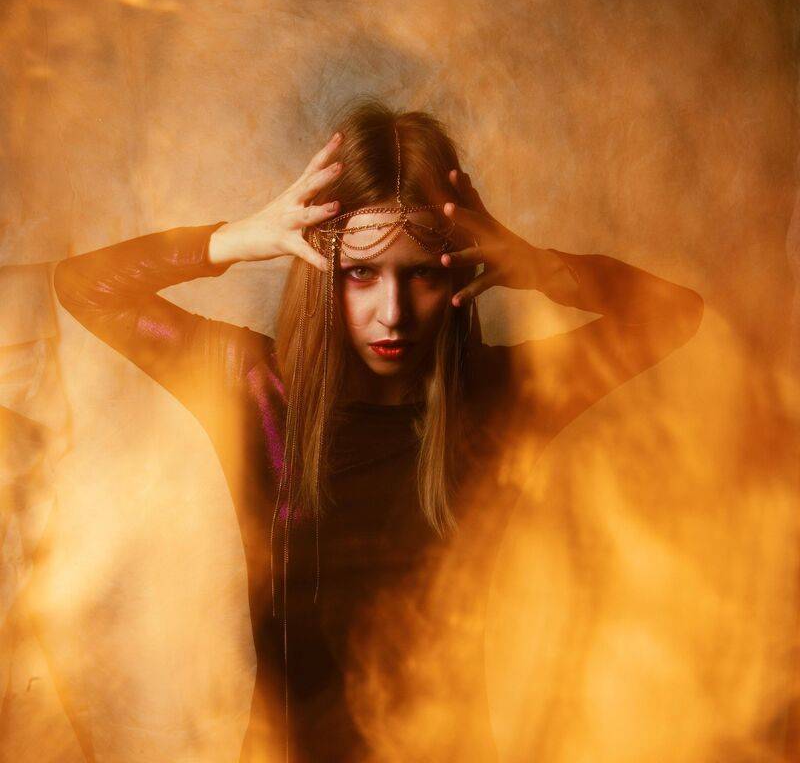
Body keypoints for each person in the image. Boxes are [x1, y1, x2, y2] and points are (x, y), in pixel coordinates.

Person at [53, 97, 704, 762]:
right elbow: (84, 286)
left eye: (420, 273)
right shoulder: (254, 388)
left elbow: (674, 314)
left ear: (457, 269)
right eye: (360, 273)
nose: (392, 312)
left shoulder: (502, 397)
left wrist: (537, 265)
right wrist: (236, 239)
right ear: (320, 271)